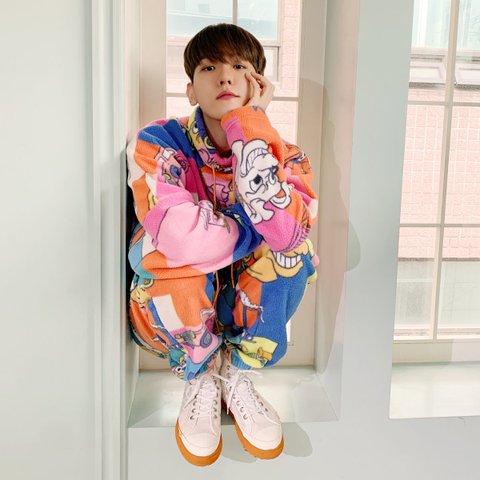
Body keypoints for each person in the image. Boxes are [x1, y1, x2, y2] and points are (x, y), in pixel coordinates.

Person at [126, 23, 319, 466]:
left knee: (292, 250)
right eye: (210, 67)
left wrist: (249, 127)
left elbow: (289, 234)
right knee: (169, 249)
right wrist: (253, 227)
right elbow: (179, 235)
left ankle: (237, 372)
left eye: (239, 66)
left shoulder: (288, 156)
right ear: (191, 89)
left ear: (258, 85)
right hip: (168, 313)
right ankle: (202, 373)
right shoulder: (159, 141)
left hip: (245, 311)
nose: (226, 76)